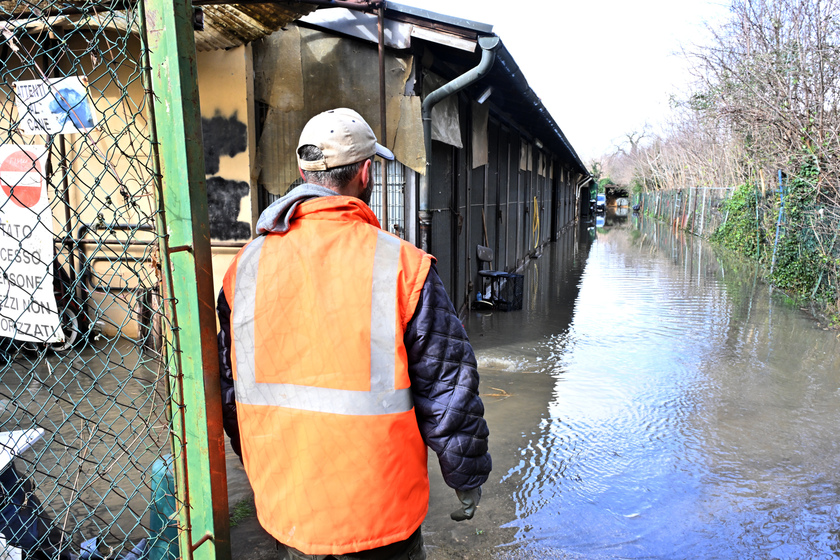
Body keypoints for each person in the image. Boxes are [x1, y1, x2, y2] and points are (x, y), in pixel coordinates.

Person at [216, 108, 491, 560]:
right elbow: (448, 388)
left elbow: (230, 391)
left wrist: (258, 464)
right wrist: (467, 476)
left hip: (289, 505)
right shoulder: (402, 266)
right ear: (366, 172)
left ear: (303, 172)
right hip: (379, 516)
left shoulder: (244, 267)